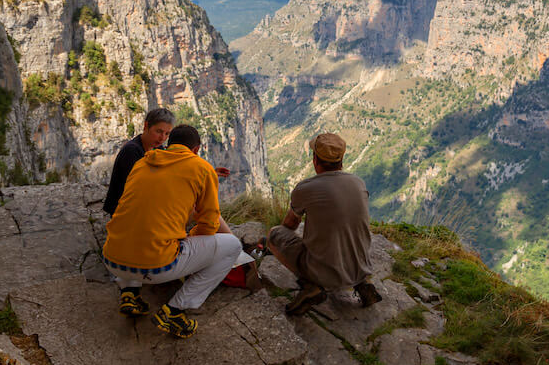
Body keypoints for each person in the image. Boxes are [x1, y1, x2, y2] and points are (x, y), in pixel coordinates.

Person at [102, 124, 241, 338]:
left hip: (112, 259)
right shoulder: (201, 169)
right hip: (157, 267)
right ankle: (174, 311)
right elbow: (209, 225)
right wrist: (187, 238)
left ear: (170, 144)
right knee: (232, 245)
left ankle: (130, 293)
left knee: (138, 224)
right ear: (196, 150)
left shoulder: (143, 162)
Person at [267, 132, 381, 316]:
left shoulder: (305, 189)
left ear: (315, 160)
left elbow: (289, 225)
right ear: (341, 159)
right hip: (361, 266)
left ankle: (311, 285)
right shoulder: (358, 183)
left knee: (274, 234)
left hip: (324, 272)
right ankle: (363, 283)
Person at [103, 108, 175, 216]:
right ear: (146, 126)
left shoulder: (158, 149)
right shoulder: (132, 151)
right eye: (159, 131)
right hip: (124, 212)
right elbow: (137, 188)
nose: (162, 138)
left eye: (167, 133)